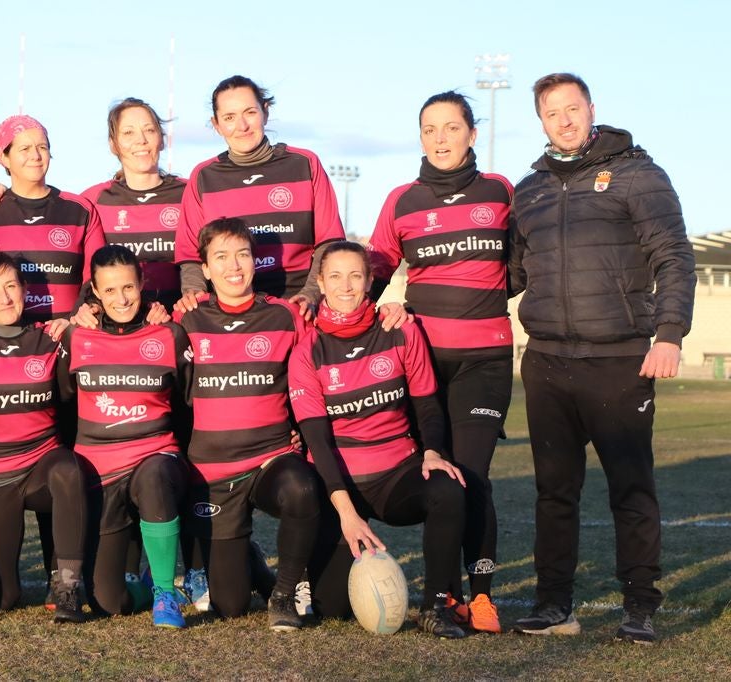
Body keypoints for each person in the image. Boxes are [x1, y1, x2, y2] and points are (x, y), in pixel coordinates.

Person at [508, 73, 696, 645]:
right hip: (545, 362)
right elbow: (511, 276)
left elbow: (674, 256)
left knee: (631, 488)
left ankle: (639, 606)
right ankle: (553, 605)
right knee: (554, 492)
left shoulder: (639, 173)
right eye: (552, 113)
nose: (564, 121)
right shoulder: (529, 190)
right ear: (540, 121)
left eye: (573, 109)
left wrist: (669, 333)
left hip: (618, 360)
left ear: (591, 109)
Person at [365, 91, 513, 633]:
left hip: (485, 361)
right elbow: (372, 273)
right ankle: (444, 594)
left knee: (472, 475)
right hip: (422, 361)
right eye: (430, 129)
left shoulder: (500, 192)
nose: (441, 138)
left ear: (472, 133)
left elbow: (519, 267)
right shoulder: (401, 200)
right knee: (439, 476)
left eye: (452, 127)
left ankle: (481, 597)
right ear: (420, 137)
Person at [290, 241, 471, 639]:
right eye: (335, 276)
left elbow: (427, 406)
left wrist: (432, 453)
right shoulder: (307, 350)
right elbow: (317, 441)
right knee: (331, 606)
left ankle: (436, 604)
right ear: (319, 282)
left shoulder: (400, 329)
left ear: (371, 280)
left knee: (449, 488)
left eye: (356, 275)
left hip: (395, 474)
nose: (346, 286)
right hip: (340, 484)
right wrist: (346, 512)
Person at [175, 217, 320, 632]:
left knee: (302, 487)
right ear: (204, 268)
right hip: (213, 473)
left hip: (270, 460)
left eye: (242, 254)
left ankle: (285, 593)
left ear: (255, 262)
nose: (233, 266)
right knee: (231, 604)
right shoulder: (186, 320)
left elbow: (315, 369)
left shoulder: (285, 316)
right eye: (220, 256)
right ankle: (252, 562)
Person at [58, 245, 191, 628]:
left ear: (142, 283)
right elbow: (64, 405)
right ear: (95, 292)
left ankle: (166, 593)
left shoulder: (168, 334)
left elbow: (186, 407)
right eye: (111, 290)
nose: (122, 298)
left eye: (129, 288)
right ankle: (146, 585)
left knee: (154, 475)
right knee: (108, 601)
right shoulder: (76, 338)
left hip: (156, 458)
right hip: (101, 473)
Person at [0, 252, 89, 622]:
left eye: (12, 286)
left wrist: (77, 323)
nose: (5, 298)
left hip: (41, 468)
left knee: (68, 469)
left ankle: (66, 585)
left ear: (26, 290)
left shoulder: (49, 337)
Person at [176, 76, 344, 310]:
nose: (242, 126)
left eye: (250, 112)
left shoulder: (304, 163)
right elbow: (191, 255)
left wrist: (310, 295)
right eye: (229, 118)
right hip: (230, 310)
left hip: (297, 306)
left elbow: (330, 242)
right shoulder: (204, 176)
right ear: (216, 124)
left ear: (265, 112)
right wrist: (196, 296)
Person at [0, 115, 105, 330]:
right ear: (5, 158)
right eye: (24, 149)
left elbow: (99, 278)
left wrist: (76, 320)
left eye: (42, 147)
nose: (36, 156)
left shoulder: (80, 210)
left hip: (64, 341)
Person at [82, 98, 187, 311]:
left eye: (149, 130)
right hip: (121, 327)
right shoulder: (94, 199)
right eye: (128, 133)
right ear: (113, 145)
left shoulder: (189, 193)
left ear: (162, 139)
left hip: (179, 326)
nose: (141, 140)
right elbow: (47, 207)